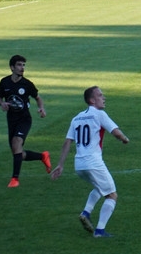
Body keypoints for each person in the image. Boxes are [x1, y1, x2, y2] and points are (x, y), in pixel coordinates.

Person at [50, 87, 129, 238]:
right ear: (92, 100)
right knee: (112, 195)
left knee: (100, 187)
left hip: (79, 165)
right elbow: (117, 133)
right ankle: (99, 231)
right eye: (100, 95)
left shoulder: (76, 118)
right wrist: (125, 139)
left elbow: (67, 142)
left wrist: (60, 164)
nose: (104, 97)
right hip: (93, 163)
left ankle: (86, 213)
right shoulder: (99, 114)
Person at [0, 54, 49, 188]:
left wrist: (41, 108)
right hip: (11, 120)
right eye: (19, 65)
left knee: (17, 142)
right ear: (12, 67)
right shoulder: (4, 82)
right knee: (17, 152)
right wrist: (2, 104)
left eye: (23, 65)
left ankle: (15, 179)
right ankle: (42, 156)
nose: (22, 68)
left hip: (24, 119)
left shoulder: (27, 84)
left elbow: (38, 97)